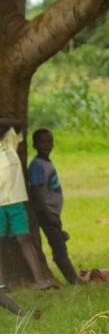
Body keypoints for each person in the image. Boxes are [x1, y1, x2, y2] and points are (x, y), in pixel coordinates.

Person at [0, 119, 54, 290]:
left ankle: (39, 279)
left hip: (15, 200)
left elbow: (18, 123)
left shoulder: (9, 140)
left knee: (24, 237)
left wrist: (4, 123)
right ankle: (2, 283)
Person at [28, 129, 82, 284]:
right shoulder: (37, 165)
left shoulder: (46, 162)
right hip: (46, 212)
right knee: (59, 248)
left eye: (49, 141)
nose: (47, 145)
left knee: (59, 238)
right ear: (34, 145)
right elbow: (36, 191)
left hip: (52, 211)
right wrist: (48, 214)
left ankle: (73, 277)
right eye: (43, 142)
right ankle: (73, 279)